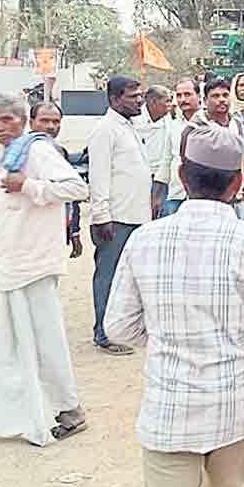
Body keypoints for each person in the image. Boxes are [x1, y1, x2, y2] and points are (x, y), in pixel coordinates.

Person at [105, 121, 244, 487]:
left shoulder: (144, 239)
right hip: (233, 406)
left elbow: (119, 327)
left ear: (182, 176)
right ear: (237, 184)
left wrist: (166, 332)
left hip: (168, 409)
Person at [0, 93, 89, 446]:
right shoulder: (7, 155)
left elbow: (77, 188)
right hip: (6, 261)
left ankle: (69, 410)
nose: (0, 127)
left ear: (23, 120)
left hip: (34, 264)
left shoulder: (36, 150)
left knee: (45, 340)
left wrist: (28, 186)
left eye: (7, 120)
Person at [87, 76, 151, 356]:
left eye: (140, 95)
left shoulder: (129, 126)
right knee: (108, 276)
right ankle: (104, 334)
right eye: (133, 96)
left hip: (137, 216)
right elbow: (98, 176)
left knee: (132, 278)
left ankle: (125, 327)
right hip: (115, 219)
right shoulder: (105, 130)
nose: (139, 100)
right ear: (114, 99)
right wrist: (101, 217)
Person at [31, 102, 84, 258]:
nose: (51, 126)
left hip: (56, 229)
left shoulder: (59, 151)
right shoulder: (23, 152)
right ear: (31, 122)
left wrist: (74, 232)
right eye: (44, 121)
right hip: (32, 231)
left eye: (56, 121)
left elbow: (70, 198)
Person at [200, 78, 244, 222]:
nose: (222, 100)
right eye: (215, 96)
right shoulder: (199, 125)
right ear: (205, 100)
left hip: (238, 196)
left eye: (225, 95)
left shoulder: (237, 123)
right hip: (211, 198)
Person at [154, 78, 202, 218]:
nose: (183, 99)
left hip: (202, 196)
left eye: (187, 94)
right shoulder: (174, 126)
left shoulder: (208, 123)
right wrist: (157, 196)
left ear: (199, 96)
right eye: (179, 95)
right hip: (176, 195)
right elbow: (166, 161)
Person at [136, 86, 173, 217]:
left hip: (162, 178)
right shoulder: (135, 120)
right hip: (140, 179)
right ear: (153, 102)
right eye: (167, 101)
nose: (170, 105)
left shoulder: (169, 118)